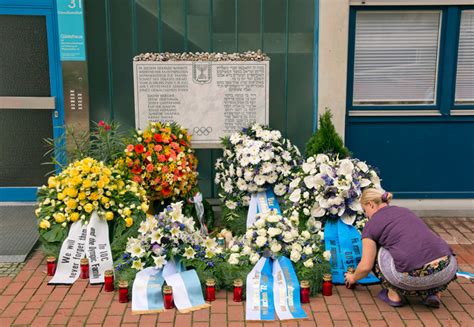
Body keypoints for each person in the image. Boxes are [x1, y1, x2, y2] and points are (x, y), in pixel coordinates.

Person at [344, 188, 457, 308]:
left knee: (379, 250)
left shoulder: (371, 225)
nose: (366, 215)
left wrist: (353, 278)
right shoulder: (405, 211)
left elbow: (366, 266)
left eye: (365, 210)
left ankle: (394, 296)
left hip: (413, 277)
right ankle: (433, 292)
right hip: (447, 268)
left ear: (370, 205)